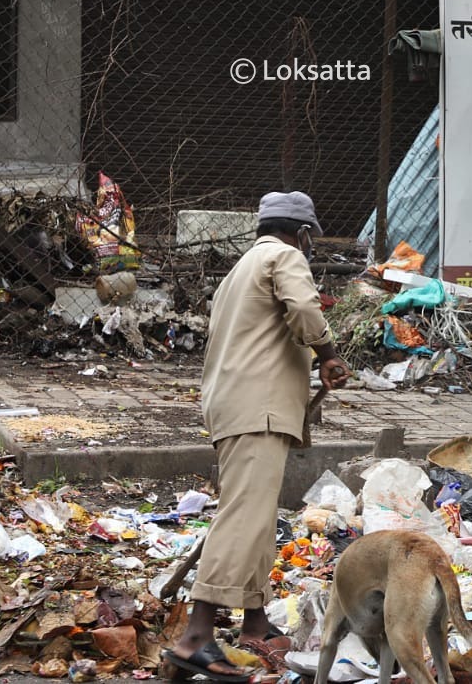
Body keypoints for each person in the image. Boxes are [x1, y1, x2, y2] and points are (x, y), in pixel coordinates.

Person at [166, 191, 349, 681]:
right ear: (303, 232)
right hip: (258, 408)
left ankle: (256, 622)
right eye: (310, 237)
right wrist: (328, 354)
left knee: (257, 519)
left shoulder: (240, 269)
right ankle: (197, 638)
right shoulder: (284, 256)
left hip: (234, 404)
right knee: (244, 519)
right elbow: (305, 311)